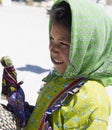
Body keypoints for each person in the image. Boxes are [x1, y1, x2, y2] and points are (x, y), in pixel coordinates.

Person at [25, 0, 112, 129]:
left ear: (89, 48)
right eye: (51, 39)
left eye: (64, 44)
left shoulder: (91, 99)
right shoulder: (58, 78)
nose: (52, 48)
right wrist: (21, 110)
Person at [0, 56, 26, 127]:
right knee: (19, 106)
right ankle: (22, 122)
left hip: (13, 91)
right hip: (14, 90)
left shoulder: (8, 70)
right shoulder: (10, 70)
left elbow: (6, 83)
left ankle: (21, 122)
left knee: (18, 106)